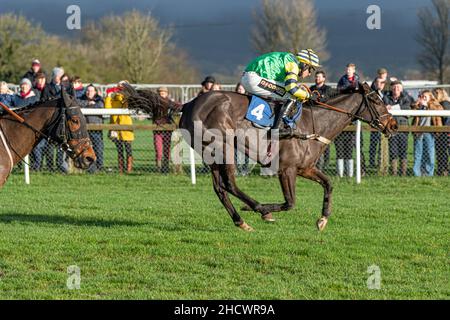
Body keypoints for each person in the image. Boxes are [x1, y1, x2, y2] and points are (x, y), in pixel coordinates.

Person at [241, 49, 321, 136]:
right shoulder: (293, 65)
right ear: (304, 64)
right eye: (310, 69)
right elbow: (292, 89)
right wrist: (308, 95)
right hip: (253, 78)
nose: (309, 74)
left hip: (251, 76)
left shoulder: (290, 60)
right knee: (291, 95)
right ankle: (278, 128)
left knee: (286, 92)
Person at [383, 80, 413, 176]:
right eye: (394, 87)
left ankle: (403, 172)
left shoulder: (406, 98)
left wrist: (393, 108)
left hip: (403, 127)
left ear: (401, 88)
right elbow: (383, 108)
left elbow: (407, 109)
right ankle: (394, 173)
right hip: (391, 127)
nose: (396, 89)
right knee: (393, 150)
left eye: (398, 87)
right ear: (391, 88)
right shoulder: (386, 98)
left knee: (403, 151)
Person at [105, 80, 134, 174]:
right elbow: (107, 109)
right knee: (119, 149)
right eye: (119, 86)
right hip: (115, 126)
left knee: (128, 148)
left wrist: (124, 94)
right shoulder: (113, 99)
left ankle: (129, 168)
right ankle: (121, 169)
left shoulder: (127, 98)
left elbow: (128, 105)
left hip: (126, 126)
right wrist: (109, 96)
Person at [412, 90, 442, 176]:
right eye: (422, 96)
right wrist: (417, 104)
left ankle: (429, 174)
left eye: (425, 97)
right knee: (418, 154)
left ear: (430, 97)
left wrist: (428, 105)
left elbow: (440, 109)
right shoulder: (419, 105)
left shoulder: (434, 104)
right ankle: (417, 174)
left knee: (430, 154)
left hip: (430, 133)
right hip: (419, 132)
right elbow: (411, 108)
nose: (423, 98)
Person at [310, 70, 335, 171]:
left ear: (324, 78)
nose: (317, 79)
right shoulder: (311, 88)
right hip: (312, 119)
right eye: (316, 77)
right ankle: (314, 163)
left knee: (324, 143)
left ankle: (325, 165)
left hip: (324, 121)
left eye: (319, 77)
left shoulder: (328, 90)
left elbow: (326, 101)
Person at [153, 87, 182, 173]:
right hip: (157, 130)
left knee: (167, 149)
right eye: (160, 93)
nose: (162, 95)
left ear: (166, 94)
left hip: (167, 130)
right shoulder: (154, 103)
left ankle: (165, 167)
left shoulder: (169, 102)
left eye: (163, 93)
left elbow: (177, 106)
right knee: (158, 150)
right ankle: (158, 167)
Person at [79, 84, 104, 173]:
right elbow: (78, 104)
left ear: (95, 92)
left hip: (96, 129)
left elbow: (101, 106)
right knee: (86, 149)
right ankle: (89, 167)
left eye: (91, 91)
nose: (89, 92)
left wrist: (92, 105)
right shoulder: (82, 99)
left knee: (98, 149)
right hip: (85, 130)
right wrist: (88, 104)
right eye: (87, 91)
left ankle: (100, 167)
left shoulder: (99, 99)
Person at [368, 77, 386, 169]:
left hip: (385, 123)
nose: (380, 84)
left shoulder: (386, 94)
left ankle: (381, 164)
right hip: (375, 123)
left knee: (383, 145)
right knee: (373, 144)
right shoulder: (372, 94)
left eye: (382, 82)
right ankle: (371, 162)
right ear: (375, 83)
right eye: (378, 82)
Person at [432, 88, 450, 176]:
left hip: (445, 133)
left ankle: (443, 170)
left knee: (442, 153)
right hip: (443, 132)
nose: (434, 96)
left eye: (436, 94)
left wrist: (444, 131)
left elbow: (447, 119)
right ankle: (442, 170)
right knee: (442, 153)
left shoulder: (445, 104)